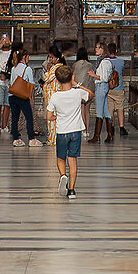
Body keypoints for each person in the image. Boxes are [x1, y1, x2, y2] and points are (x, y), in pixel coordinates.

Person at [50, 58, 88, 199]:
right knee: (72, 159)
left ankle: (63, 175)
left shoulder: (55, 96)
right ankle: (71, 190)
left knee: (61, 158)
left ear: (57, 81)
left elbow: (48, 116)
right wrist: (76, 85)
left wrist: (56, 117)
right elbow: (90, 94)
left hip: (62, 131)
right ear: (72, 77)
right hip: (76, 131)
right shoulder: (77, 93)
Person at [7, 43, 36, 146]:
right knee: (29, 117)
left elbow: (11, 82)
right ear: (24, 57)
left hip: (12, 95)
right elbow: (31, 84)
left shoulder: (13, 68)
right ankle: (31, 139)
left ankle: (15, 139)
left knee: (15, 118)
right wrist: (31, 97)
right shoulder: (27, 69)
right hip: (22, 97)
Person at [0, 30, 13, 133]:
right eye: (3, 40)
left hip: (9, 82)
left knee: (7, 105)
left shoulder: (12, 53)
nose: (5, 42)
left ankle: (4, 125)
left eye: (7, 40)